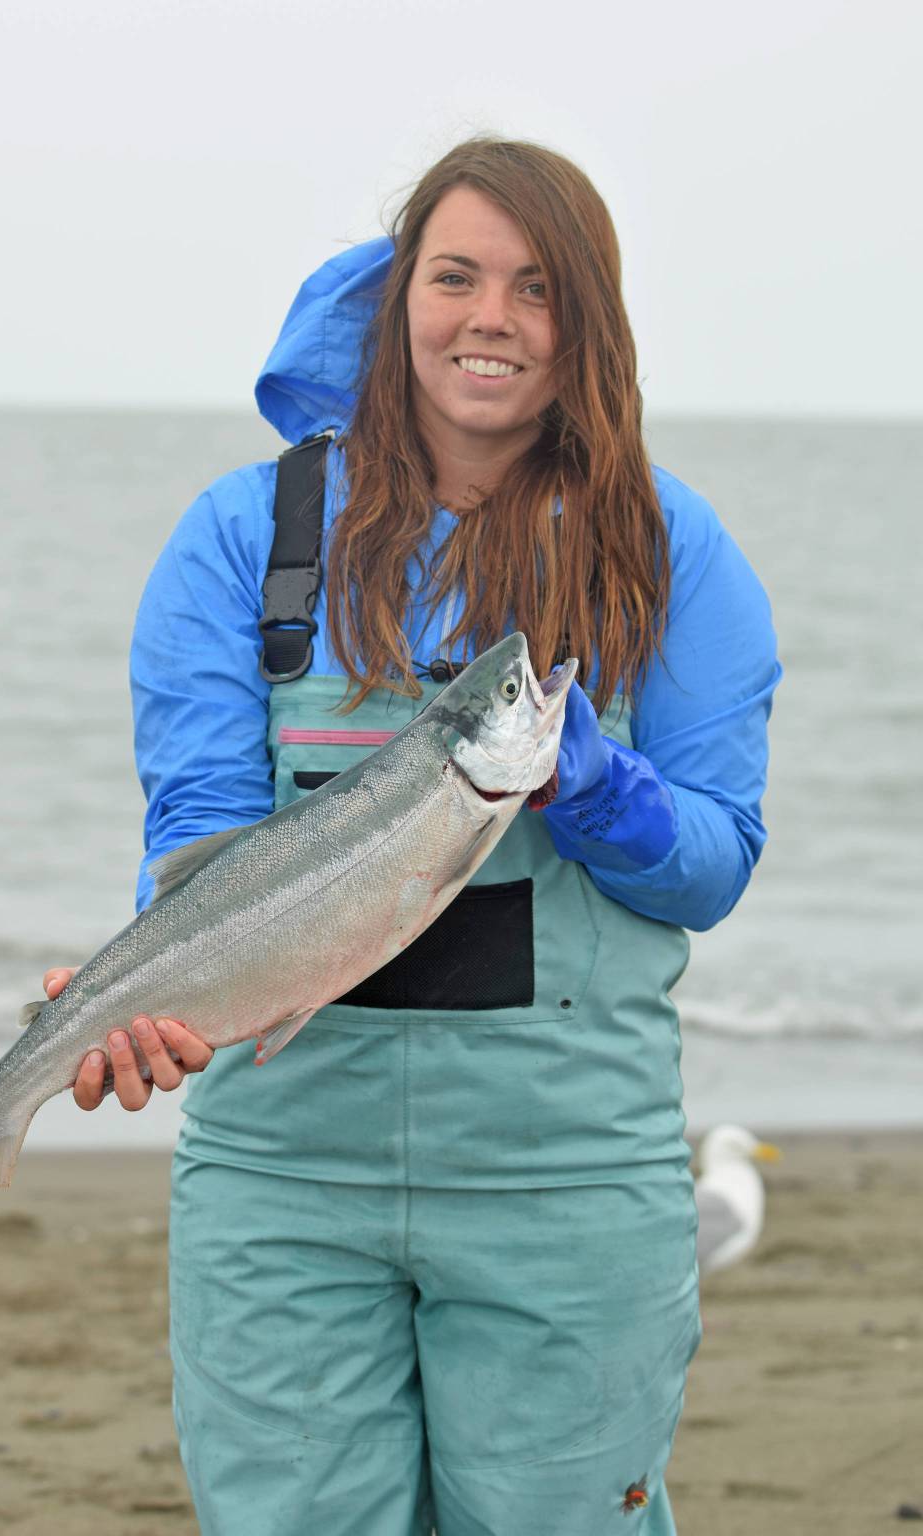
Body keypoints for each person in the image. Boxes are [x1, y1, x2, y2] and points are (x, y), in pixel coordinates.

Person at [45, 138, 780, 1535]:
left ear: (591, 328)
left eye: (537, 288)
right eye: (454, 277)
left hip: (565, 1182)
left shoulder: (673, 551)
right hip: (279, 1177)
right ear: (394, 304)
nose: (490, 318)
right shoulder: (240, 538)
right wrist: (143, 1004)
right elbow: (201, 842)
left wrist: (593, 787)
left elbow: (713, 865)